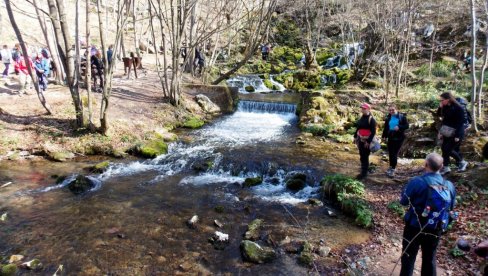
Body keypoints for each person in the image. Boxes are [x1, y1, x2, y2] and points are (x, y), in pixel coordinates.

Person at [399, 153, 456, 276]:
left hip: (414, 226)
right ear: (441, 167)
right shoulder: (449, 185)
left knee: (408, 257)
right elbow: (450, 208)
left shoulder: (417, 182)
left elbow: (403, 202)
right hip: (436, 228)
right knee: (429, 258)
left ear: (426, 164)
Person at [437, 92, 468, 174]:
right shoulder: (446, 107)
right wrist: (441, 132)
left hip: (457, 132)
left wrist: (457, 135)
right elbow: (441, 117)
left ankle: (462, 162)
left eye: (442, 100)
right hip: (447, 131)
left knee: (448, 149)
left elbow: (460, 123)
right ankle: (446, 167)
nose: (441, 101)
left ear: (448, 99)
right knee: (444, 148)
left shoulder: (458, 108)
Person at [382, 104, 409, 177]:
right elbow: (386, 127)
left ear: (396, 109)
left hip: (399, 137)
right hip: (390, 137)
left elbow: (407, 126)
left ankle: (393, 169)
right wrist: (384, 136)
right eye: (390, 110)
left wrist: (399, 127)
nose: (391, 111)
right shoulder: (388, 117)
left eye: (393, 110)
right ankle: (391, 167)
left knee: (394, 154)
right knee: (390, 153)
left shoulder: (402, 117)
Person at [353, 103, 377, 179]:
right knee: (361, 156)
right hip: (360, 139)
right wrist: (355, 136)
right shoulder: (362, 117)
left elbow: (373, 132)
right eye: (362, 108)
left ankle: (364, 174)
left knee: (365, 156)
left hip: (367, 141)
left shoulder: (371, 119)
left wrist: (368, 142)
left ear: (368, 109)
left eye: (364, 108)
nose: (362, 110)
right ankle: (363, 170)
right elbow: (358, 128)